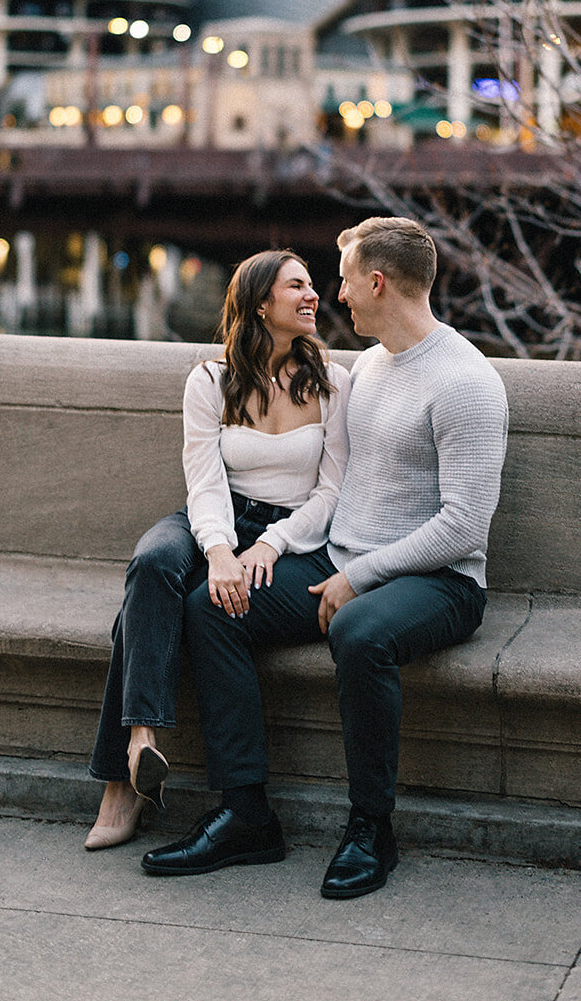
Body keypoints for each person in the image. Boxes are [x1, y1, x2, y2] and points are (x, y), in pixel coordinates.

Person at [142, 215, 507, 897]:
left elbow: (463, 525)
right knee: (211, 606)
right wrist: (268, 547)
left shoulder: (465, 382)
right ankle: (245, 813)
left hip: (439, 581)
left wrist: (357, 577)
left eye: (342, 282)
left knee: (358, 632)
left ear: (375, 282)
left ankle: (371, 828)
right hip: (338, 557)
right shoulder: (363, 368)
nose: (334, 297)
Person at [83, 248, 350, 852]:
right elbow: (203, 482)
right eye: (298, 286)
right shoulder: (209, 380)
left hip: (295, 534)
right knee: (153, 565)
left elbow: (333, 491)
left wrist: (273, 545)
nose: (314, 295)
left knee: (198, 606)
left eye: (313, 285)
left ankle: (119, 787)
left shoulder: (337, 382)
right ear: (260, 303)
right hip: (218, 517)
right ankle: (141, 739)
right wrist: (222, 549)